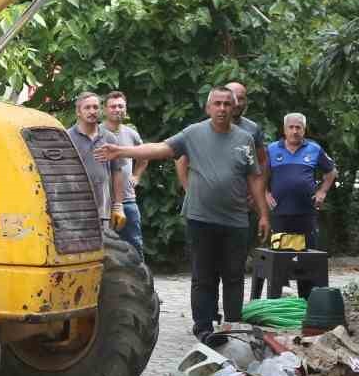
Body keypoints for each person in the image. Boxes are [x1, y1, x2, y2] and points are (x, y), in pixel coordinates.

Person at [98, 86, 268, 339]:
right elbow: (159, 149)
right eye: (217, 104)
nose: (222, 109)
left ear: (234, 109)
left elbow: (255, 178)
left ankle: (233, 326)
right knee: (203, 275)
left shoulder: (245, 139)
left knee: (234, 276)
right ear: (208, 108)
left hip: (236, 220)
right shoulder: (193, 133)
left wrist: (264, 213)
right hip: (201, 219)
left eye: (226, 104)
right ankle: (203, 327)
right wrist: (122, 151)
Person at [266, 113, 337, 295]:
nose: (295, 131)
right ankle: (282, 299)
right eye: (291, 127)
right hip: (280, 213)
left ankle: (308, 300)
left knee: (307, 258)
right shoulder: (272, 149)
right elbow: (260, 176)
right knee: (280, 258)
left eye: (298, 128)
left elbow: (331, 172)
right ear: (284, 129)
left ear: (304, 130)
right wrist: (265, 194)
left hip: (306, 214)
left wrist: (322, 192)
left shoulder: (314, 149)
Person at [65, 91, 126, 236]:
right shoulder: (67, 138)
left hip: (103, 210)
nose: (92, 111)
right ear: (78, 112)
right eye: (87, 108)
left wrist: (118, 206)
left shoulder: (109, 138)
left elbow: (117, 172)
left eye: (95, 107)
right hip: (74, 210)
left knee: (103, 252)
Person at [102, 90, 147, 256]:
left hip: (128, 200)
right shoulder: (97, 134)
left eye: (121, 106)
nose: (117, 109)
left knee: (134, 243)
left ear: (126, 109)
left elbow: (144, 157)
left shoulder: (132, 134)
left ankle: (140, 280)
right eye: (113, 106)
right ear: (105, 110)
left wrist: (137, 176)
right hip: (104, 202)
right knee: (105, 248)